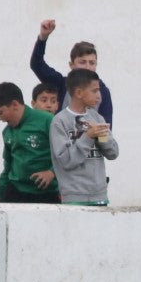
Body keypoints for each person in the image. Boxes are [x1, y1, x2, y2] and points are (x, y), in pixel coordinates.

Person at [51, 68, 118, 205]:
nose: (99, 95)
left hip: (99, 196)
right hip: (74, 197)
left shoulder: (97, 117)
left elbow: (113, 153)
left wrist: (102, 136)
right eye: (94, 91)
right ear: (79, 93)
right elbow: (65, 161)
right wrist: (88, 136)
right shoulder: (60, 121)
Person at [0, 82, 59, 204]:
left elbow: (67, 154)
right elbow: (8, 164)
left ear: (14, 105)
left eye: (0, 112)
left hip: (46, 194)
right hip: (15, 191)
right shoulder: (7, 132)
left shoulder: (47, 121)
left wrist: (51, 173)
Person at [30, 19, 113, 127]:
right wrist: (43, 38)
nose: (87, 67)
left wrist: (98, 140)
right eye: (82, 62)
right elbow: (37, 65)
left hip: (90, 143)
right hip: (60, 142)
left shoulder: (103, 92)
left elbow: (106, 130)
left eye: (92, 63)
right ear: (71, 65)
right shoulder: (61, 83)